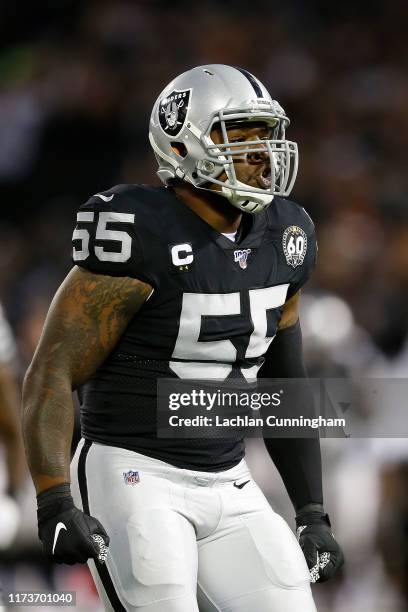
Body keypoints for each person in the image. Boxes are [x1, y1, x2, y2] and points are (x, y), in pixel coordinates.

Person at [22, 64, 344, 611]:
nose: (262, 152)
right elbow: (52, 369)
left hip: (230, 477)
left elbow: (284, 382)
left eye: (265, 135)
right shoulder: (139, 232)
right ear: (184, 143)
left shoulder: (286, 235)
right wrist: (53, 498)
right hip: (132, 470)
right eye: (239, 136)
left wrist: (311, 511)